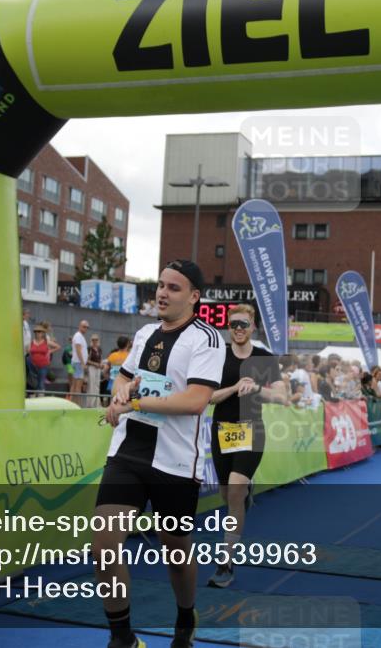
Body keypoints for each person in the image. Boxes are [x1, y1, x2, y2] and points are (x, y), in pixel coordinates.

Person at [96, 259, 225, 648]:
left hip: (175, 461)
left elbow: (195, 401)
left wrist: (135, 403)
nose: (163, 293)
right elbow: (125, 376)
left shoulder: (207, 338)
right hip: (128, 453)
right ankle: (123, 637)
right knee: (103, 545)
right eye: (160, 285)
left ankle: (186, 615)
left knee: (176, 553)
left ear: (194, 296)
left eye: (173, 287)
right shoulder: (145, 332)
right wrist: (120, 393)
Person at [207, 304, 285, 588]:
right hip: (222, 431)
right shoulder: (218, 356)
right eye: (233, 324)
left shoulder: (264, 358)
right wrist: (234, 387)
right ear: (228, 327)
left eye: (243, 324)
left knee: (236, 490)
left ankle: (225, 563)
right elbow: (209, 397)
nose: (238, 329)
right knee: (227, 495)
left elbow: (281, 396)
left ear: (252, 326)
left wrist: (256, 389)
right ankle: (244, 493)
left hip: (252, 431)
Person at [28, 324, 59, 397]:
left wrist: (49, 351)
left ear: (42, 333)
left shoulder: (46, 341)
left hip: (43, 365)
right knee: (34, 382)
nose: (37, 333)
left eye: (39, 332)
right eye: (36, 332)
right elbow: (29, 351)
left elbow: (58, 346)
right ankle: (35, 397)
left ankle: (41, 398)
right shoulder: (32, 342)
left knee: (41, 382)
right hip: (33, 365)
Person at [86, 333, 104, 408]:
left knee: (97, 386)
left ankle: (96, 404)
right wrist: (95, 364)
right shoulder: (89, 349)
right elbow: (87, 361)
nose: (95, 341)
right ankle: (90, 404)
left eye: (96, 340)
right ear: (91, 341)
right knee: (91, 385)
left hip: (98, 368)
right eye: (93, 340)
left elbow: (101, 359)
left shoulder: (99, 349)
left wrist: (101, 364)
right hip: (91, 368)